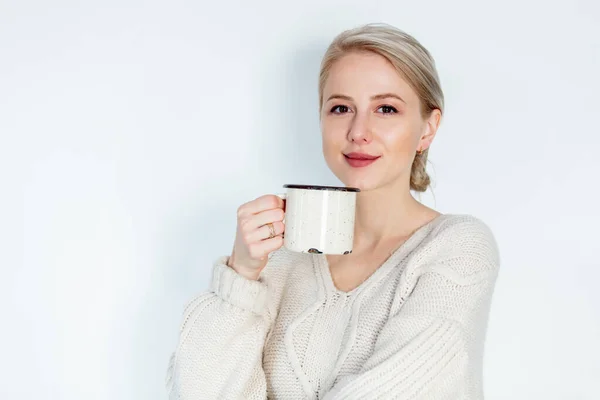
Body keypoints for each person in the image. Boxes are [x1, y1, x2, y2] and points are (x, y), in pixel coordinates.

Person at [166, 23, 500, 400]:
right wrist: (241, 275)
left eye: (386, 109)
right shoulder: (278, 260)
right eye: (341, 108)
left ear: (427, 128)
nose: (358, 130)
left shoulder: (458, 248)